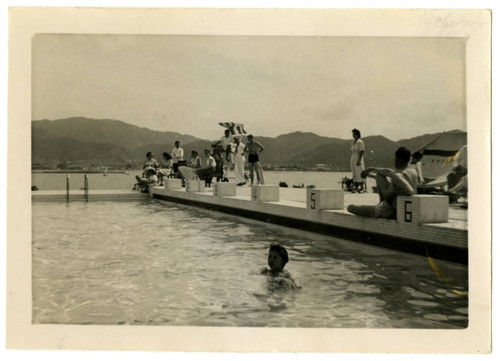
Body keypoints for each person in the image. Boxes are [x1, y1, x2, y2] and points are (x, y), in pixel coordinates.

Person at [347, 147, 417, 219]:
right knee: (379, 175)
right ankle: (381, 204)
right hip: (405, 209)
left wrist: (391, 194)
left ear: (397, 159)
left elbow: (409, 190)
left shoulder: (396, 175)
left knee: (350, 207)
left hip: (390, 211)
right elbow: (389, 172)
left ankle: (380, 207)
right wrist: (371, 169)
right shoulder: (413, 172)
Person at [350, 128, 366, 193]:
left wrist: (359, 160)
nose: (353, 135)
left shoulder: (360, 142)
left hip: (358, 157)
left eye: (354, 134)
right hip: (353, 157)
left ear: (357, 134)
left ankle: (362, 187)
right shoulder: (353, 142)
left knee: (359, 171)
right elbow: (351, 151)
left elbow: (362, 151)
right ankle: (356, 187)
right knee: (354, 172)